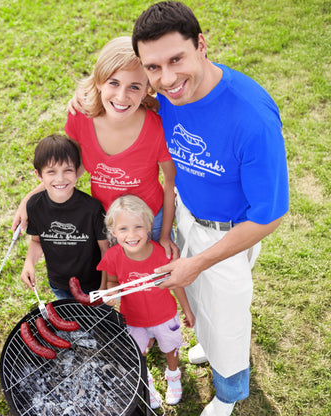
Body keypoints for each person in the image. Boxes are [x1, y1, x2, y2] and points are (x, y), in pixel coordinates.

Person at [129, 2, 289, 415]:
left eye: (176, 59)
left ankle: (230, 393)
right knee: (201, 302)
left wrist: (200, 261)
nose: (167, 79)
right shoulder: (163, 94)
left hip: (228, 233)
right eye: (153, 67)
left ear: (201, 45)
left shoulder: (252, 118)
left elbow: (268, 215)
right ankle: (211, 344)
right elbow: (122, 93)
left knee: (229, 320)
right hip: (187, 212)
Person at [14, 36, 178, 260]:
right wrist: (30, 199)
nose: (121, 97)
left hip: (149, 222)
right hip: (104, 222)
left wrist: (166, 235)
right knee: (114, 283)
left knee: (152, 286)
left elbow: (170, 182)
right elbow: (75, 168)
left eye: (134, 86)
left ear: (147, 90)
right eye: (113, 83)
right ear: (99, 81)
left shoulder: (157, 128)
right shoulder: (80, 117)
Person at [97, 195, 195, 409]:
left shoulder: (162, 254)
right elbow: (112, 280)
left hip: (164, 315)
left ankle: (173, 376)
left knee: (170, 348)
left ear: (150, 226)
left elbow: (176, 283)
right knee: (138, 351)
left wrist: (186, 309)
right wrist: (112, 294)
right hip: (133, 318)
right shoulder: (113, 256)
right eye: (123, 229)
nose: (131, 235)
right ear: (113, 232)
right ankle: (146, 382)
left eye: (138, 227)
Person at [20, 134, 109, 300]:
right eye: (51, 172)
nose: (60, 179)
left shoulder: (92, 208)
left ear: (77, 171)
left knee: (101, 323)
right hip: (59, 284)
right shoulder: (34, 206)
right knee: (72, 323)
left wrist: (104, 287)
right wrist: (29, 263)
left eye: (67, 170)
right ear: (39, 175)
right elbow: (36, 241)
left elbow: (105, 249)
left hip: (93, 285)